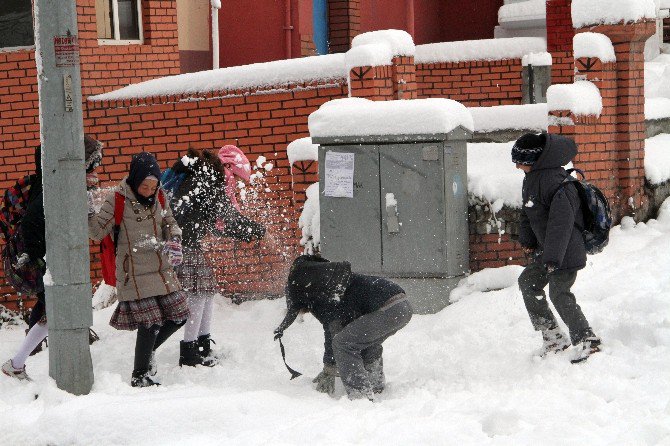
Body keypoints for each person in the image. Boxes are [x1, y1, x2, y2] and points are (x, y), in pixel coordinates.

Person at [2, 136, 103, 380]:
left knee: (52, 309)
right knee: (56, 309)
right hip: (46, 261)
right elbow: (31, 221)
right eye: (93, 162)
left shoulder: (55, 182)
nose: (96, 167)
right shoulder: (52, 187)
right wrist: (38, 255)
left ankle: (18, 363)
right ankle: (17, 364)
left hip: (50, 258)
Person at [88, 152, 189, 387]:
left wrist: (174, 239)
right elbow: (95, 232)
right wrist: (88, 207)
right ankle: (140, 375)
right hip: (132, 270)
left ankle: (147, 355)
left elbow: (169, 222)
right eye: (145, 185)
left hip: (161, 269)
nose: (150, 190)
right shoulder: (118, 199)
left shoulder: (160, 196)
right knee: (151, 322)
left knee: (179, 316)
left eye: (154, 186)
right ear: (135, 180)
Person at [168, 146, 265, 367]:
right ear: (226, 168)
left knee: (207, 290)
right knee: (199, 292)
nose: (234, 183)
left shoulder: (200, 179)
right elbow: (227, 218)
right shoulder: (209, 182)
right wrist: (258, 231)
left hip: (184, 242)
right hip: (183, 244)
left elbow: (215, 222)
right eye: (235, 178)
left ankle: (202, 345)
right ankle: (189, 351)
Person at [513, 132, 601, 363]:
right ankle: (553, 337)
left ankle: (588, 340)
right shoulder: (532, 179)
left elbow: (560, 225)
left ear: (533, 161)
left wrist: (552, 258)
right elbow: (528, 212)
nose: (517, 167)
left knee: (559, 293)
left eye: (520, 162)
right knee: (528, 283)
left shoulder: (559, 183)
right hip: (548, 251)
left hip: (564, 251)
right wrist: (528, 241)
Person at [274, 255, 413, 401]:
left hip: (389, 309)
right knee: (365, 343)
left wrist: (329, 369)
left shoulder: (323, 300)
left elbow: (333, 332)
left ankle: (361, 397)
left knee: (343, 344)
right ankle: (376, 387)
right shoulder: (335, 285)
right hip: (402, 306)